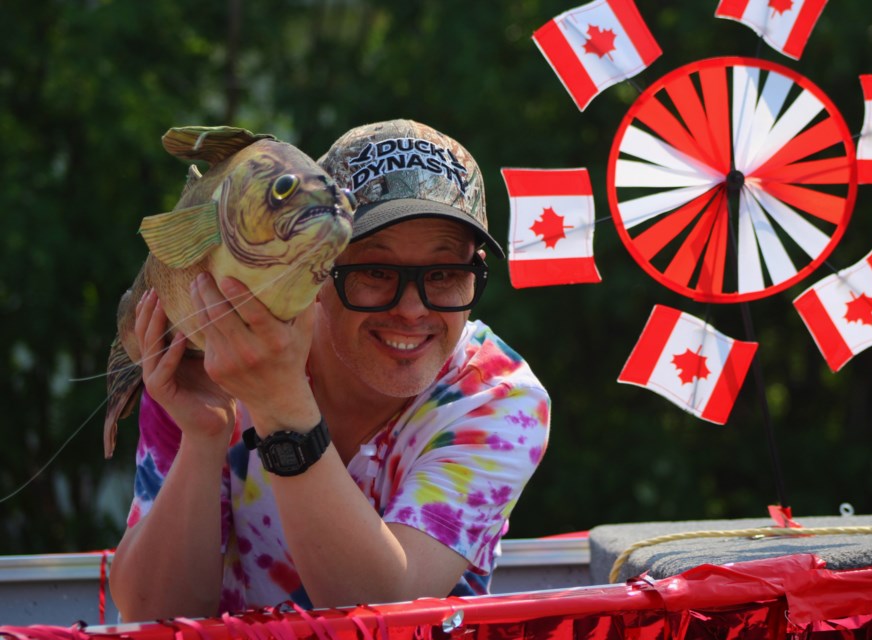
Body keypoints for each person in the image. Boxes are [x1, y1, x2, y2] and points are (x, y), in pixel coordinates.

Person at [108, 119, 551, 621]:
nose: (411, 309)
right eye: (375, 273)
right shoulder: (226, 348)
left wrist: (282, 406)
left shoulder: (498, 397)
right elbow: (152, 612)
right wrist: (204, 437)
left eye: (445, 274)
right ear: (316, 267)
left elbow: (385, 609)